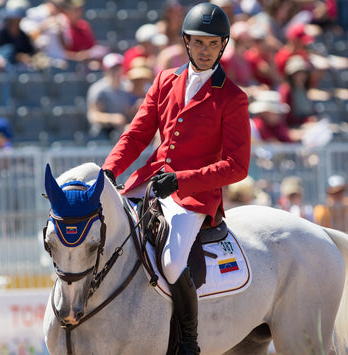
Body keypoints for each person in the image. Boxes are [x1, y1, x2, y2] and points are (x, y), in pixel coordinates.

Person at [101, 4, 251, 354]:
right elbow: (136, 134)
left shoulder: (233, 98)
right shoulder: (165, 80)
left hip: (195, 195)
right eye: (198, 42)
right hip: (150, 180)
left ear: (222, 46)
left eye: (212, 44)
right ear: (186, 42)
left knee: (170, 261)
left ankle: (188, 341)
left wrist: (182, 180)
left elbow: (236, 166)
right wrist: (111, 168)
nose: (204, 50)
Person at [86, 53, 135, 141]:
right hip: (102, 134)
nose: (117, 71)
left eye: (118, 67)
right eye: (113, 68)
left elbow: (128, 111)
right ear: (106, 70)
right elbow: (93, 115)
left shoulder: (127, 87)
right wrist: (112, 118)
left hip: (122, 132)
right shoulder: (98, 89)